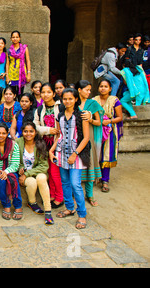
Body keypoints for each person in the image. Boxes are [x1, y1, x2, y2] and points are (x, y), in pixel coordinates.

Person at [49, 88, 91, 229]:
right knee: (65, 183)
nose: (67, 101)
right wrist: (52, 150)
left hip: (76, 155)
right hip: (61, 154)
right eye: (65, 99)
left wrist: (75, 154)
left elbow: (86, 138)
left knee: (75, 184)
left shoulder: (82, 115)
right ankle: (69, 208)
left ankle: (82, 214)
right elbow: (58, 136)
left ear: (76, 99)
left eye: (70, 99)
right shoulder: (59, 116)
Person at [16, 122, 53, 225]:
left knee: (41, 178)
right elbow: (15, 161)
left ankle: (48, 211)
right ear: (22, 132)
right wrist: (20, 169)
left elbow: (44, 166)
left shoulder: (40, 144)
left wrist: (27, 174)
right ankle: (32, 203)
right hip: (26, 175)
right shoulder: (18, 142)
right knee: (32, 182)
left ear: (35, 132)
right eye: (25, 131)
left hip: (37, 172)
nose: (28, 134)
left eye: (31, 131)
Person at [33, 82, 64, 208]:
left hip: (58, 143)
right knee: (48, 170)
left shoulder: (60, 107)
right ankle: (51, 193)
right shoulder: (40, 109)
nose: (45, 95)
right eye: (43, 92)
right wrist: (47, 130)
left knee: (55, 171)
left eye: (48, 92)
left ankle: (59, 197)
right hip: (44, 143)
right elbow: (35, 126)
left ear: (54, 93)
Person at [93, 78, 123, 193]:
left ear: (110, 88)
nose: (103, 88)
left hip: (110, 131)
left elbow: (120, 117)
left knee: (106, 155)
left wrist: (108, 121)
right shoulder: (94, 100)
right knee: (96, 154)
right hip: (96, 129)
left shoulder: (114, 100)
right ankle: (96, 176)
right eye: (101, 86)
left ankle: (105, 180)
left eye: (106, 86)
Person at [76, 80, 104, 207]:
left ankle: (90, 194)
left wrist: (90, 119)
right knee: (76, 165)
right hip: (75, 138)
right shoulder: (73, 103)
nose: (89, 92)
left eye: (89, 90)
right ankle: (76, 193)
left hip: (89, 137)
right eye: (86, 89)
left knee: (90, 164)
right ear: (79, 90)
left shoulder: (92, 104)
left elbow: (99, 122)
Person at [0, 123, 22, 220]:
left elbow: (15, 164)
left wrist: (6, 172)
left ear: (7, 133)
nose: (1, 135)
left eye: (3, 133)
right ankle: (7, 205)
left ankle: (18, 206)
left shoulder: (13, 145)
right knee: (0, 181)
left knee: (14, 179)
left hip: (10, 171)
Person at [7, 30, 31, 97]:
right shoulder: (8, 50)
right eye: (13, 37)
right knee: (12, 94)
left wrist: (29, 73)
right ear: (11, 39)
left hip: (22, 74)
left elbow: (28, 60)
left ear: (19, 38)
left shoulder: (24, 48)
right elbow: (7, 64)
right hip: (12, 74)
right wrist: (7, 76)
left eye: (17, 37)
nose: (15, 39)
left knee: (21, 94)